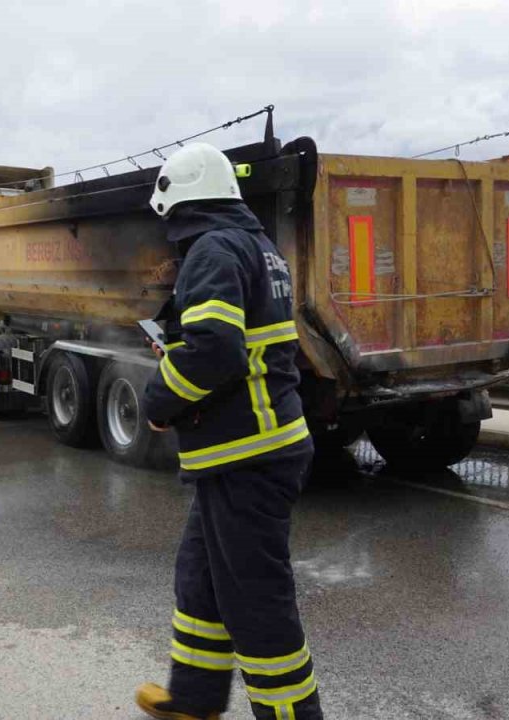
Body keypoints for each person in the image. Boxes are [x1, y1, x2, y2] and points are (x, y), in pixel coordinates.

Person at [134, 144, 322, 720]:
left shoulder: (213, 249)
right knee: (201, 576)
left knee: (256, 602)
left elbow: (217, 351)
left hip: (250, 455)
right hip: (243, 451)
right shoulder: (255, 245)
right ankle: (193, 699)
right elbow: (235, 338)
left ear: (180, 200)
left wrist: (160, 400)